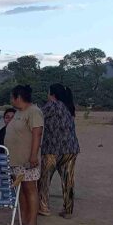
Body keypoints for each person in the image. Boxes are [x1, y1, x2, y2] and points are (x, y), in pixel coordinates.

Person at [38, 84, 81, 218]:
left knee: (45, 180)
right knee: (68, 180)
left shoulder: (51, 106)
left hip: (52, 149)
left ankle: (43, 207)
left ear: (52, 94)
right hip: (71, 149)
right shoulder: (69, 107)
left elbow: (37, 117)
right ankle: (68, 210)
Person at [4, 85, 44, 225]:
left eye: (12, 97)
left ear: (18, 97)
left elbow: (37, 134)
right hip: (15, 160)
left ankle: (32, 221)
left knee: (30, 188)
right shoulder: (18, 112)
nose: (11, 100)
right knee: (20, 190)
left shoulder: (34, 112)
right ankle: (23, 218)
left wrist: (33, 156)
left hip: (27, 160)